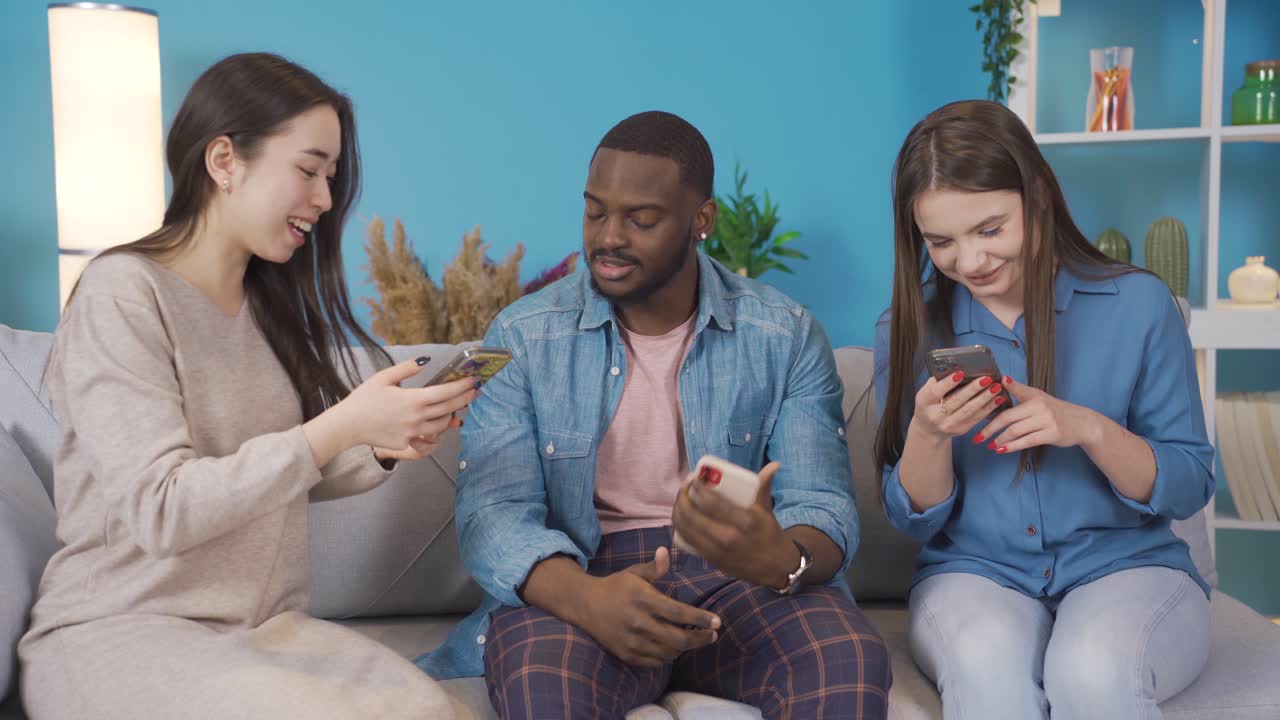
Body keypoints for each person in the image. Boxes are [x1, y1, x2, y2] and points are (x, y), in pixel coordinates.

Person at [19, 52, 476, 720]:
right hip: (123, 627)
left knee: (432, 713)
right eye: (308, 169)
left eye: (332, 176)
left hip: (264, 632)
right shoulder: (122, 293)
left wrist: (377, 441)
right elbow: (162, 507)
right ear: (224, 160)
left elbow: (268, 469)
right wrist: (341, 425)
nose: (324, 198)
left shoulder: (266, 305)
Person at [418, 110, 891, 719]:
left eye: (641, 219)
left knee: (848, 659)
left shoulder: (785, 334)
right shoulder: (524, 335)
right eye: (595, 212)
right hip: (583, 573)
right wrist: (587, 600)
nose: (608, 236)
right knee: (539, 676)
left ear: (701, 221)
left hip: (742, 578)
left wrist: (779, 557)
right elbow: (492, 515)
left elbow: (822, 507)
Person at [873, 99, 1214, 720]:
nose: (969, 262)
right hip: (974, 575)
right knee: (984, 667)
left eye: (990, 229)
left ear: (1038, 196)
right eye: (941, 242)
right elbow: (914, 521)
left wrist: (1086, 427)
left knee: (1092, 670)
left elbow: (1189, 484)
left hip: (1128, 567)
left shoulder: (1138, 305)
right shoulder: (907, 329)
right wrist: (927, 432)